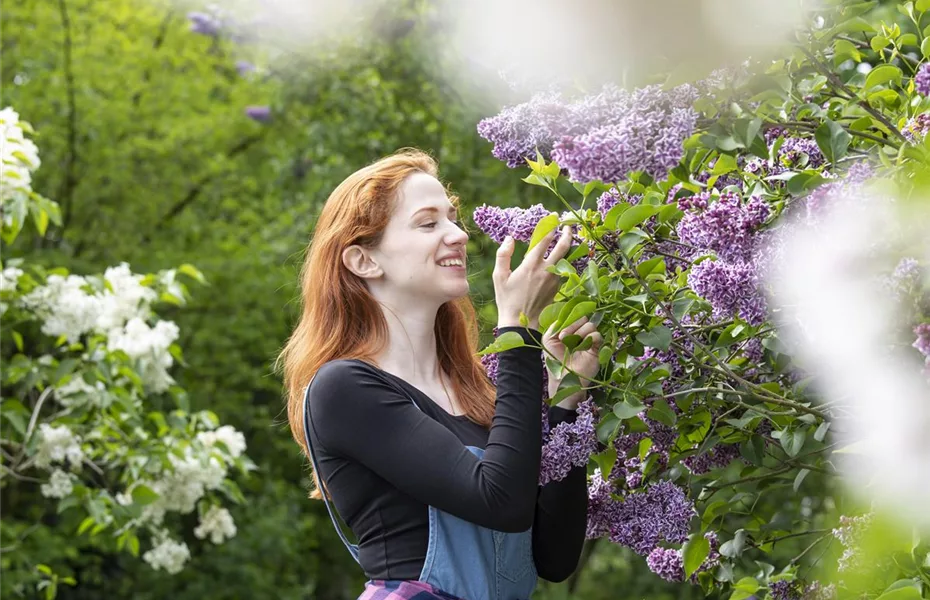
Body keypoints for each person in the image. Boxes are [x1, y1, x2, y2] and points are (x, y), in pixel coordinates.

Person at [278, 149, 602, 600]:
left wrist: (564, 400)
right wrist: (519, 326)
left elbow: (554, 558)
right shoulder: (344, 389)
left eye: (453, 219)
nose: (459, 234)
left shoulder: (479, 392)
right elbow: (501, 501)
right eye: (428, 223)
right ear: (363, 261)